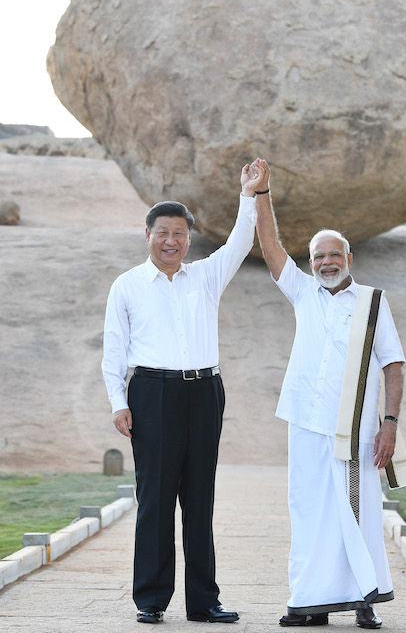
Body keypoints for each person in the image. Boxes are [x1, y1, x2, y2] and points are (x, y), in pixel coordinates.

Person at [101, 162, 267, 625]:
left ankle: (204, 602)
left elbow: (241, 241)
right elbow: (113, 350)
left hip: (204, 392)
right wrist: (118, 402)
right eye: (162, 233)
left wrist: (248, 194)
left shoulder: (207, 276)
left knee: (200, 498)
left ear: (189, 239)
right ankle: (151, 599)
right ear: (148, 235)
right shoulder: (127, 286)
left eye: (179, 233)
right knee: (155, 499)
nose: (170, 240)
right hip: (151, 394)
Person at [250, 158, 406, 630]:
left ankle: (363, 599)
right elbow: (270, 246)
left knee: (357, 512)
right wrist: (262, 193)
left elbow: (393, 365)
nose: (326, 263)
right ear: (310, 262)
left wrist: (390, 425)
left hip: (356, 429)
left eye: (334, 255)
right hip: (305, 421)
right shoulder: (303, 293)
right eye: (318, 256)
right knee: (308, 510)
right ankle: (310, 600)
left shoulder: (373, 302)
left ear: (349, 259)